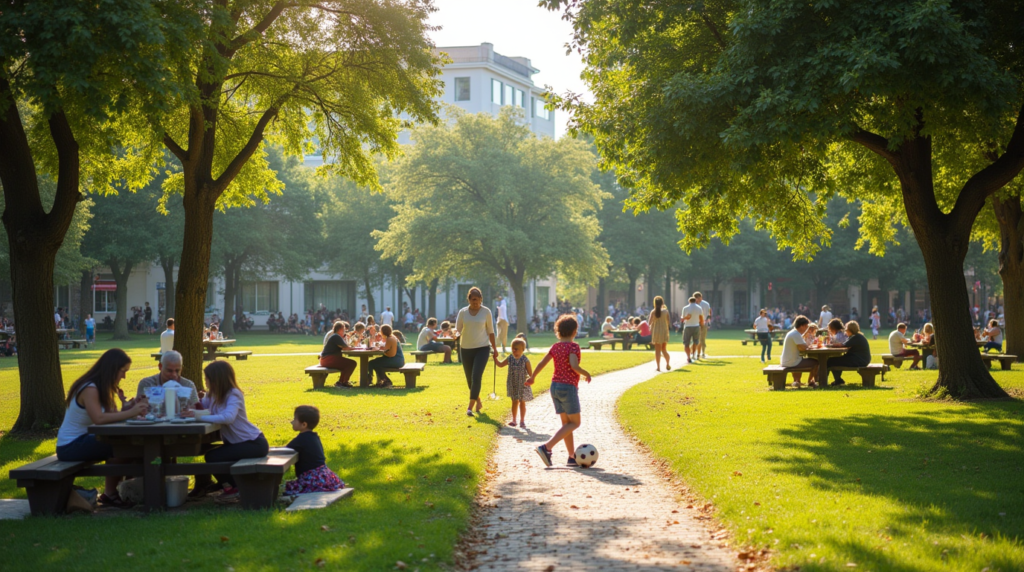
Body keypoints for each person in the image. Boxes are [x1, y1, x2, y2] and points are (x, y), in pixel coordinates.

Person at [56, 348, 149, 507]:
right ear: (112, 369)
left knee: (129, 445)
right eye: (122, 371)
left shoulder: (102, 387)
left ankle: (116, 493)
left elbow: (110, 417)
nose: (124, 376)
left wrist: (129, 407)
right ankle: (113, 493)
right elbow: (99, 419)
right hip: (71, 446)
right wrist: (131, 412)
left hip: (82, 440)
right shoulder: (90, 388)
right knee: (126, 446)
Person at [189, 361, 269, 502]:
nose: (205, 382)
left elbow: (228, 417)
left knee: (212, 457)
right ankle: (232, 486)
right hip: (236, 443)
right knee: (212, 455)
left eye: (207, 378)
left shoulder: (234, 394)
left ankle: (234, 489)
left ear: (216, 379)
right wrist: (192, 406)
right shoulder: (212, 395)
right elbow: (203, 409)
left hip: (253, 443)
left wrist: (195, 416)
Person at [530, 315, 592, 467]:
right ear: (574, 331)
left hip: (555, 387)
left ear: (558, 330)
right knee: (575, 423)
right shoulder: (573, 346)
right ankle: (546, 447)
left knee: (566, 424)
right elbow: (573, 365)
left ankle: (571, 457)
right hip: (567, 387)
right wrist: (586, 373)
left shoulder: (555, 347)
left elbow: (542, 363)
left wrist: (533, 377)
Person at [283, 405, 345, 495]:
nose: (291, 422)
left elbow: (285, 451)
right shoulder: (314, 437)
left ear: (304, 424)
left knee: (286, 488)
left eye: (294, 419)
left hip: (312, 477)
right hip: (324, 475)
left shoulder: (301, 439)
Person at [457, 287, 498, 415]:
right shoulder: (463, 312)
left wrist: (495, 348)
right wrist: (455, 334)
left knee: (476, 376)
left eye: (478, 299)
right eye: (473, 299)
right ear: (468, 300)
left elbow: (491, 331)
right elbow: (458, 329)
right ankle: (478, 399)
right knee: (470, 379)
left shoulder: (486, 312)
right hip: (465, 348)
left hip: (482, 348)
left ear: (481, 299)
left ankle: (470, 407)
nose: (475, 302)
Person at [136, 350, 200, 407]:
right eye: (169, 371)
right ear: (160, 367)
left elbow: (196, 408)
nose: (174, 375)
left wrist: (191, 411)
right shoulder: (147, 384)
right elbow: (139, 408)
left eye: (177, 371)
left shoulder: (188, 385)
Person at [495, 337, 533, 428]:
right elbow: (500, 365)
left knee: (522, 401)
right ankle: (514, 420)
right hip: (512, 383)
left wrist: (530, 380)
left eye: (516, 349)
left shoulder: (525, 360)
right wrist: (495, 358)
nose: (514, 351)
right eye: (513, 349)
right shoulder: (510, 358)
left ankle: (522, 421)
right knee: (514, 401)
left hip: (522, 384)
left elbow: (531, 373)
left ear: (523, 349)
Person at [826, 321, 871, 386]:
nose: (845, 332)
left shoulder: (855, 337)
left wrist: (830, 345)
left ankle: (825, 381)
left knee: (830, 361)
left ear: (850, 330)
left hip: (859, 360)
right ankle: (838, 380)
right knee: (834, 360)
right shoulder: (857, 336)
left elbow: (843, 345)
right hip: (860, 359)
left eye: (846, 330)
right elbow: (845, 344)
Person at [780, 316, 818, 388]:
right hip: (791, 361)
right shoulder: (796, 334)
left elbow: (801, 344)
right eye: (806, 326)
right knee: (816, 362)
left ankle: (797, 381)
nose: (807, 328)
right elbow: (803, 348)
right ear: (802, 326)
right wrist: (809, 347)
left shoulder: (794, 333)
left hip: (787, 360)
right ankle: (811, 381)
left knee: (801, 359)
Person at [320, 321, 358, 388]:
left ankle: (342, 382)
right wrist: (357, 349)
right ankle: (343, 382)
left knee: (346, 364)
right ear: (340, 329)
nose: (344, 332)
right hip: (328, 359)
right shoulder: (336, 336)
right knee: (352, 363)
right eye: (343, 330)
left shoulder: (335, 336)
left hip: (326, 359)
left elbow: (345, 346)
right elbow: (346, 348)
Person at [367, 324, 405, 388]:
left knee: (372, 363)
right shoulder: (391, 337)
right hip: (397, 359)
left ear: (383, 332)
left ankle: (369, 379)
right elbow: (387, 348)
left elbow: (391, 353)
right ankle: (383, 381)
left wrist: (379, 350)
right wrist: (381, 348)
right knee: (376, 364)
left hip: (396, 360)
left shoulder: (390, 339)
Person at [648, 296, 672, 371]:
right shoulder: (666, 312)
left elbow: (649, 322)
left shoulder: (653, 312)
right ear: (662, 303)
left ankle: (658, 367)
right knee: (664, 349)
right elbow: (668, 322)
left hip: (656, 332)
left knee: (657, 350)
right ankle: (667, 364)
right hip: (664, 331)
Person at [680, 296, 704, 364]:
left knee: (686, 343)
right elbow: (701, 318)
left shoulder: (685, 308)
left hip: (687, 326)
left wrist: (684, 318)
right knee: (695, 341)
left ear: (689, 301)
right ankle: (693, 354)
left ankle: (688, 357)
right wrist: (701, 326)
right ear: (695, 301)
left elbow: (682, 318)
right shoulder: (699, 308)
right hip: (696, 326)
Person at [694, 292, 712, 359]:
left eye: (698, 298)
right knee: (698, 339)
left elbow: (708, 315)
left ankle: (702, 353)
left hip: (701, 323)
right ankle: (698, 353)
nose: (697, 300)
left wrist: (708, 324)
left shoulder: (705, 304)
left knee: (702, 339)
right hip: (697, 323)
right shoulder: (695, 304)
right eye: (696, 298)